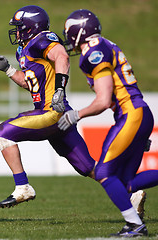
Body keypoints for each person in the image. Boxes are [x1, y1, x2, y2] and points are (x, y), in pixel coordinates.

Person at [60, 9, 158, 237]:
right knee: (125, 183)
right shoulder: (103, 44)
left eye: (69, 32)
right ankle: (134, 224)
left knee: (104, 172)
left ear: (79, 31)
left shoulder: (93, 52)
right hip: (137, 112)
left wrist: (77, 114)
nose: (68, 38)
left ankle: (135, 225)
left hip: (130, 113)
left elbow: (103, 100)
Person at [0, 5, 97, 208]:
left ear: (31, 27)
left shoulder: (42, 39)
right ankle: (131, 192)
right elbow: (28, 84)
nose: (17, 32)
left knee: (2, 133)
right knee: (88, 167)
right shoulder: (26, 48)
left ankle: (23, 187)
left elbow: (62, 57)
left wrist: (59, 89)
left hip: (52, 112)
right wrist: (9, 69)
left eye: (20, 27)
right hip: (58, 115)